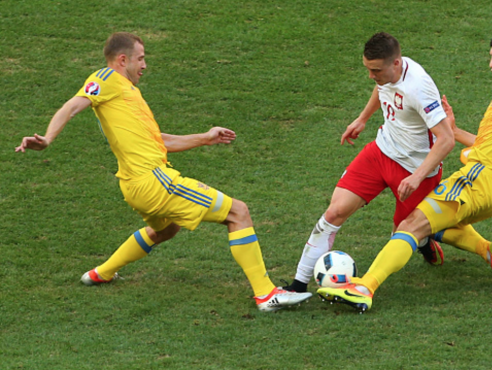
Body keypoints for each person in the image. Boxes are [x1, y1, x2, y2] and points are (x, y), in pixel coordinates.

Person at [15, 32, 312, 312]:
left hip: (134, 187)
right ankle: (266, 293)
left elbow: (159, 141)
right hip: (156, 182)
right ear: (122, 60)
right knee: (238, 212)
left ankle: (99, 273)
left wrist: (205, 137)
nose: (144, 65)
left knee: (166, 229)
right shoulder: (106, 79)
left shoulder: (126, 95)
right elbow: (72, 106)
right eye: (140, 58)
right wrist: (48, 138)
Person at [318, 29, 492, 312]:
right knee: (429, 223)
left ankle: (364, 288)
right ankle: (488, 250)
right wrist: (454, 129)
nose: (491, 63)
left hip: (477, 179)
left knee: (410, 225)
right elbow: (488, 145)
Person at [282, 32, 455, 293]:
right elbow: (381, 88)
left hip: (415, 168)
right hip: (381, 153)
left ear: (395, 64)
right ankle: (297, 286)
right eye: (368, 69)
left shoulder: (419, 87)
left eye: (375, 70)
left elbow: (447, 140)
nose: (371, 76)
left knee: (402, 234)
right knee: (334, 212)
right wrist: (362, 118)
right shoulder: (388, 72)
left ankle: (424, 241)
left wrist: (417, 176)